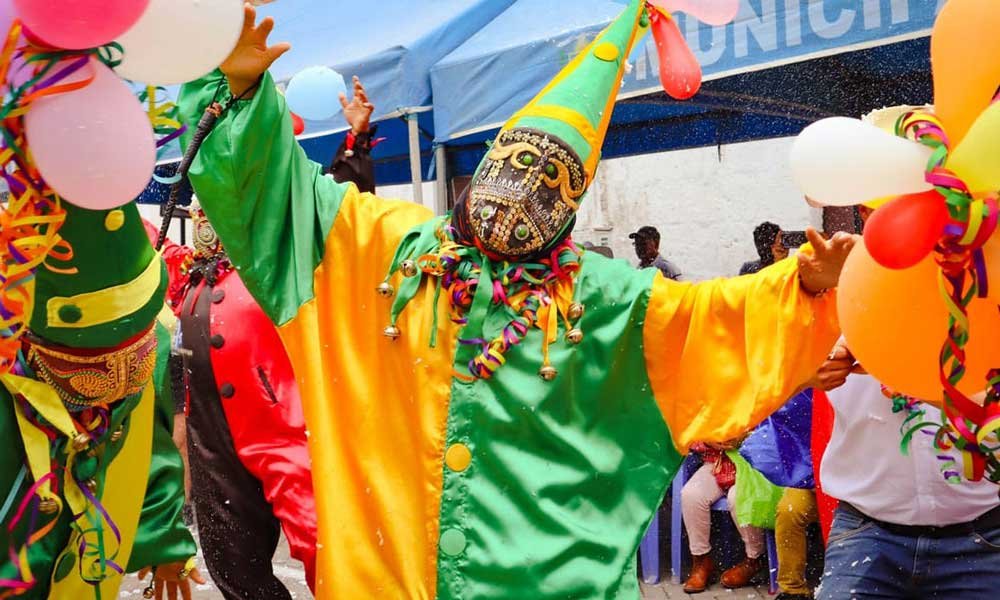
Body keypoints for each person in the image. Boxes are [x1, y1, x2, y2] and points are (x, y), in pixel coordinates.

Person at [178, 3, 853, 597]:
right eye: (517, 164)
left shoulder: (605, 297)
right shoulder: (390, 252)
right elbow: (286, 201)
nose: (524, 191)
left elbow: (714, 318)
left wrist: (802, 286)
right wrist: (240, 93)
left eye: (551, 180)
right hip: (393, 574)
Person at [163, 78, 376, 600]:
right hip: (213, 446)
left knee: (329, 553)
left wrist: (353, 142)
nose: (203, 210)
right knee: (231, 565)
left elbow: (337, 221)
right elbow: (139, 249)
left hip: (290, 430)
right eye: (202, 199)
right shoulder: (187, 271)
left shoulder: (286, 258)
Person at [0, 201, 202, 599]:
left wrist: (164, 541)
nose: (113, 390)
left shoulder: (150, 343)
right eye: (88, 373)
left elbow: (148, 446)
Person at [815, 343, 1000, 600]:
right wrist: (806, 367)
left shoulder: (986, 307)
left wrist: (913, 376)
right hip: (866, 533)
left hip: (983, 534)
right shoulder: (825, 309)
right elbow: (759, 377)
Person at [681, 439, 766, 593]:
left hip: (752, 463)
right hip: (715, 461)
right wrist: (709, 439)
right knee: (691, 494)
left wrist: (746, 438)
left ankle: (754, 559)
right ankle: (701, 560)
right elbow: (692, 430)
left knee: (739, 499)